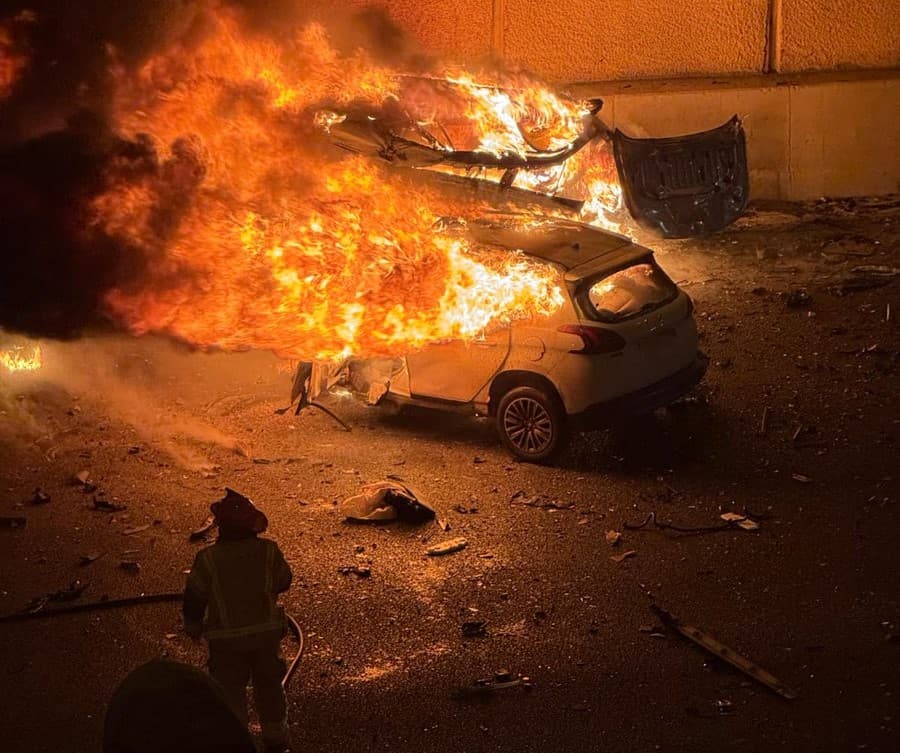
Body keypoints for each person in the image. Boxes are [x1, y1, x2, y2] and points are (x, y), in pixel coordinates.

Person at [184, 489, 293, 752]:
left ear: (220, 526)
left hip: (226, 643)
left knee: (230, 691)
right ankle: (275, 736)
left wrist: (194, 624)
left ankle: (236, 740)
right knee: (269, 687)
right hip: (265, 639)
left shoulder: (207, 558)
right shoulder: (268, 551)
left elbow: (195, 596)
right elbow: (284, 580)